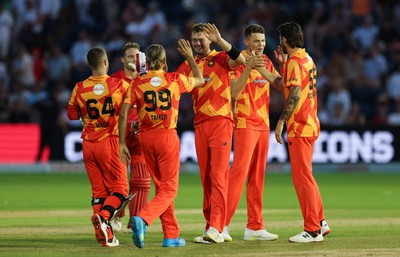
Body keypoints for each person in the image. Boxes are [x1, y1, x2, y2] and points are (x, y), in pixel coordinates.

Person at [119, 41, 205, 248]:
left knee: (162, 188)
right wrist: (190, 58)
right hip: (167, 136)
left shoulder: (137, 83)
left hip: (146, 138)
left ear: (146, 62)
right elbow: (201, 80)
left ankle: (171, 235)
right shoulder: (174, 79)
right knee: (170, 189)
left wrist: (122, 141)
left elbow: (123, 112)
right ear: (164, 61)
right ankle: (143, 218)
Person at [259, 22, 331, 243]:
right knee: (307, 176)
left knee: (303, 178)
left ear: (284, 40)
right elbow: (286, 85)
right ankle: (320, 222)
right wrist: (277, 67)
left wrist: (281, 121)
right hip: (310, 123)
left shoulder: (294, 62)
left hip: (300, 125)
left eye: (280, 37)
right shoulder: (306, 58)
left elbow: (294, 94)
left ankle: (311, 230)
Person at [176, 23, 245, 243]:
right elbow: (170, 88)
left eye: (201, 39)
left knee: (218, 176)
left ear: (209, 39)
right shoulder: (189, 64)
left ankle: (217, 226)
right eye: (194, 39)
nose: (197, 43)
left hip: (221, 122)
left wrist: (220, 40)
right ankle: (212, 226)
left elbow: (241, 60)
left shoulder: (222, 57)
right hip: (200, 125)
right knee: (206, 179)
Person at [225, 24, 283, 241]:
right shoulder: (238, 61)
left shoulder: (267, 61)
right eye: (256, 41)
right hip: (244, 123)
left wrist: (283, 67)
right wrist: (249, 67)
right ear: (246, 42)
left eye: (263, 41)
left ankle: (255, 227)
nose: (261, 45)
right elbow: (233, 93)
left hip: (263, 125)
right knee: (238, 174)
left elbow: (280, 85)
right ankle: (221, 225)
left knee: (257, 177)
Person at [67, 47, 130, 247]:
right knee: (120, 190)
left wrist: (86, 116)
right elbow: (131, 107)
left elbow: (70, 114)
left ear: (90, 64)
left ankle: (105, 236)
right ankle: (103, 217)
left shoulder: (79, 87)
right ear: (105, 63)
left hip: (88, 144)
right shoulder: (118, 85)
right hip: (109, 142)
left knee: (99, 193)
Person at [109, 42, 150, 232]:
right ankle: (116, 214)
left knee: (141, 181)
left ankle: (137, 221)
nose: (133, 59)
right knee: (119, 181)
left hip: (141, 136)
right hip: (120, 137)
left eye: (136, 56)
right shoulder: (114, 80)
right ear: (122, 60)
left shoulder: (148, 78)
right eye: (130, 56)